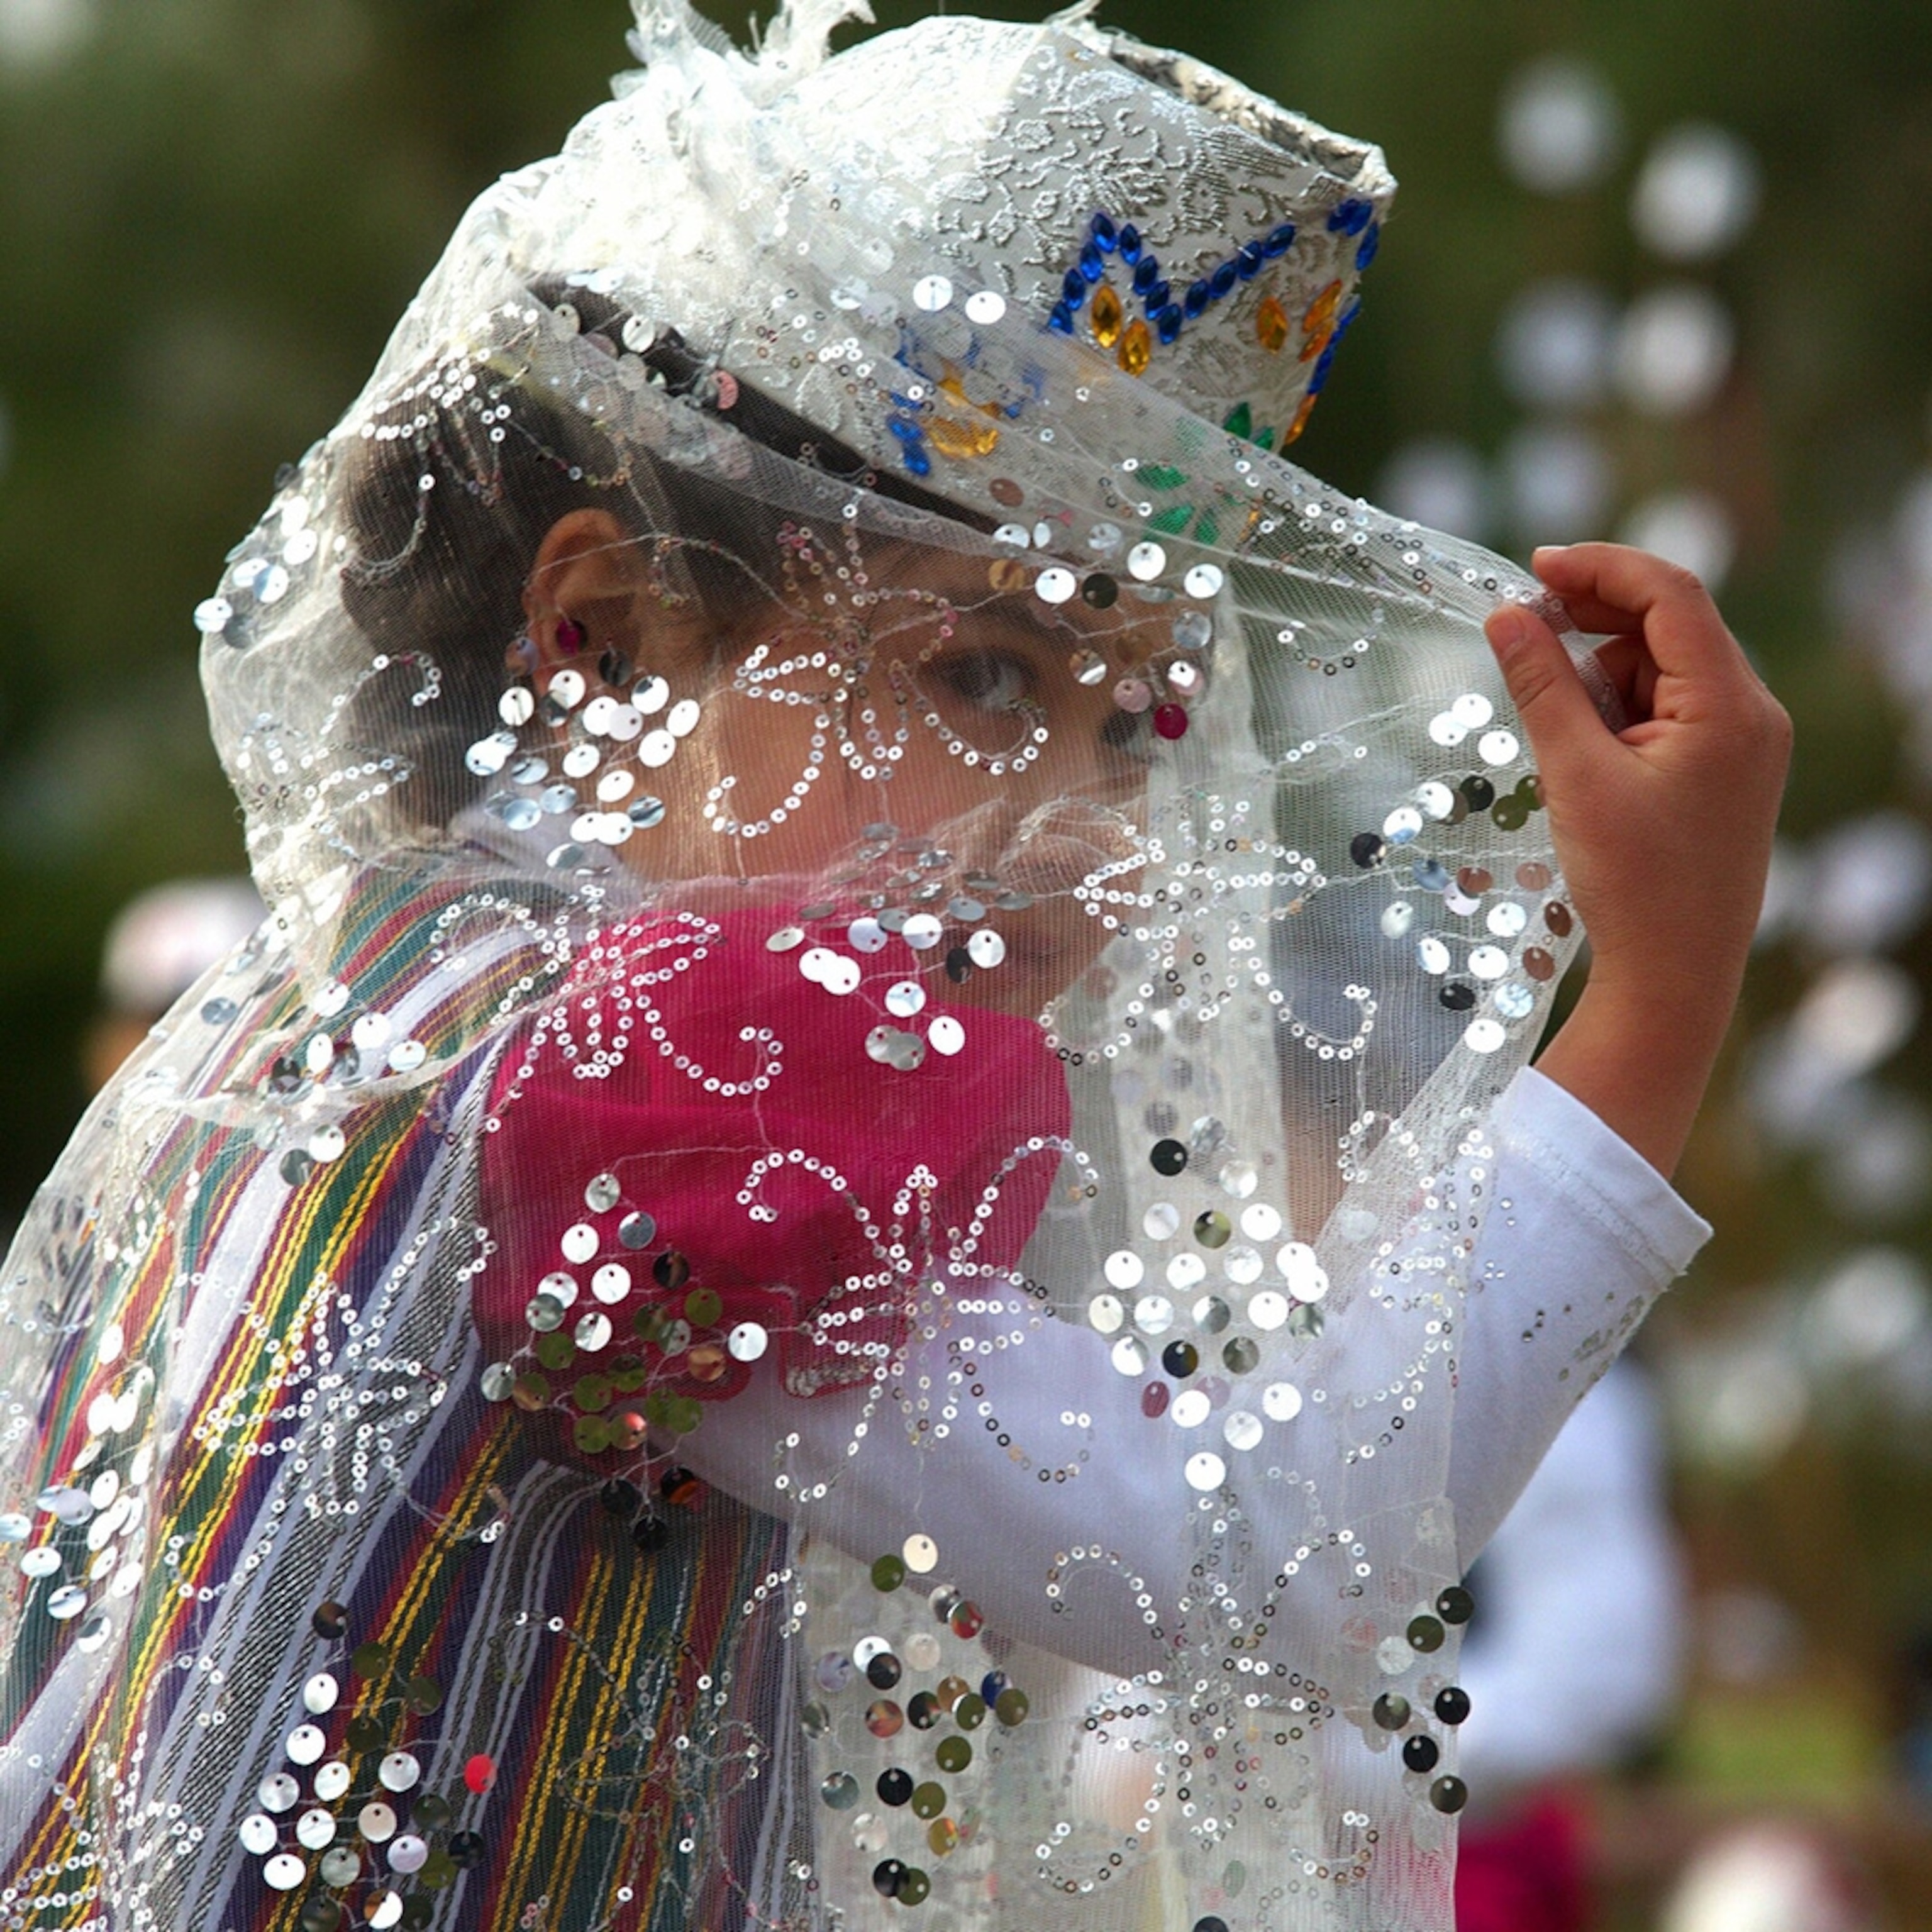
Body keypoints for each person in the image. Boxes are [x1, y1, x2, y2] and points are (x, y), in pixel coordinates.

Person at [0, 6, 1789, 1932]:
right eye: (991, 674)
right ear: (601, 634)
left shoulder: (362, 993)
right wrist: (1664, 992)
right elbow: (1262, 1568)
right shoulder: (672, 1090)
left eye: (1136, 725)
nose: (1091, 825)